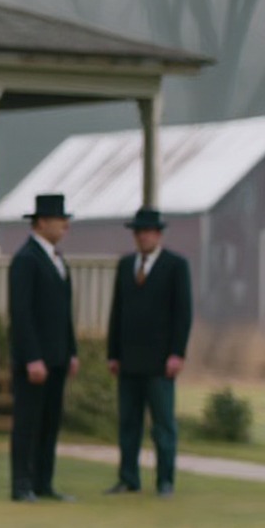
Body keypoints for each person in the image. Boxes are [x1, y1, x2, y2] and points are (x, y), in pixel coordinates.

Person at [105, 206, 193, 497]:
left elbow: (183, 314)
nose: (142, 238)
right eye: (138, 233)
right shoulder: (126, 265)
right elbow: (117, 311)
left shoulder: (175, 266)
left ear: (158, 234)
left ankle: (165, 480)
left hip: (159, 361)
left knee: (163, 425)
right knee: (128, 423)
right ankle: (128, 477)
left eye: (147, 232)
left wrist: (177, 353)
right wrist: (113, 353)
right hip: (129, 359)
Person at [6, 192, 79, 502]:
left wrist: (71, 350)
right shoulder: (26, 260)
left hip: (58, 356)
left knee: (50, 422)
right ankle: (21, 484)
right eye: (60, 220)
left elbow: (64, 312)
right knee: (28, 422)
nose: (65, 226)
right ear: (42, 222)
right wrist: (33, 357)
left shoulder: (58, 260)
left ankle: (43, 482)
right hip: (35, 360)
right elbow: (21, 313)